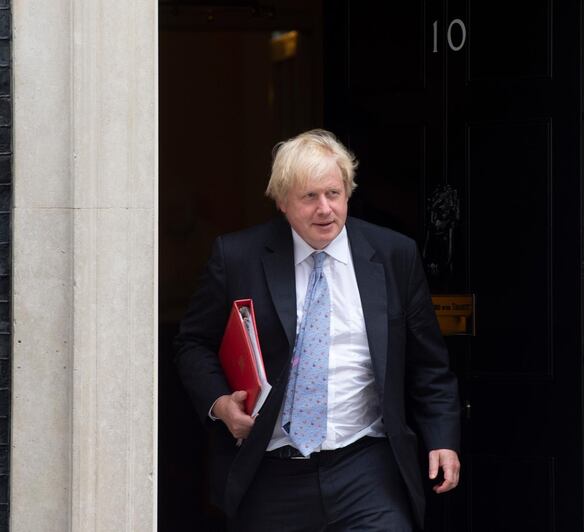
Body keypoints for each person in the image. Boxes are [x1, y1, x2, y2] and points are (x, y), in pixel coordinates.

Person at [174, 128, 461, 531]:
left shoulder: (395, 255)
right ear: (282, 201)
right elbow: (193, 344)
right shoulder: (237, 256)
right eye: (309, 197)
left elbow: (428, 363)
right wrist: (221, 404)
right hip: (272, 473)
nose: (325, 209)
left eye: (334, 193)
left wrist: (443, 439)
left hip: (366, 467)